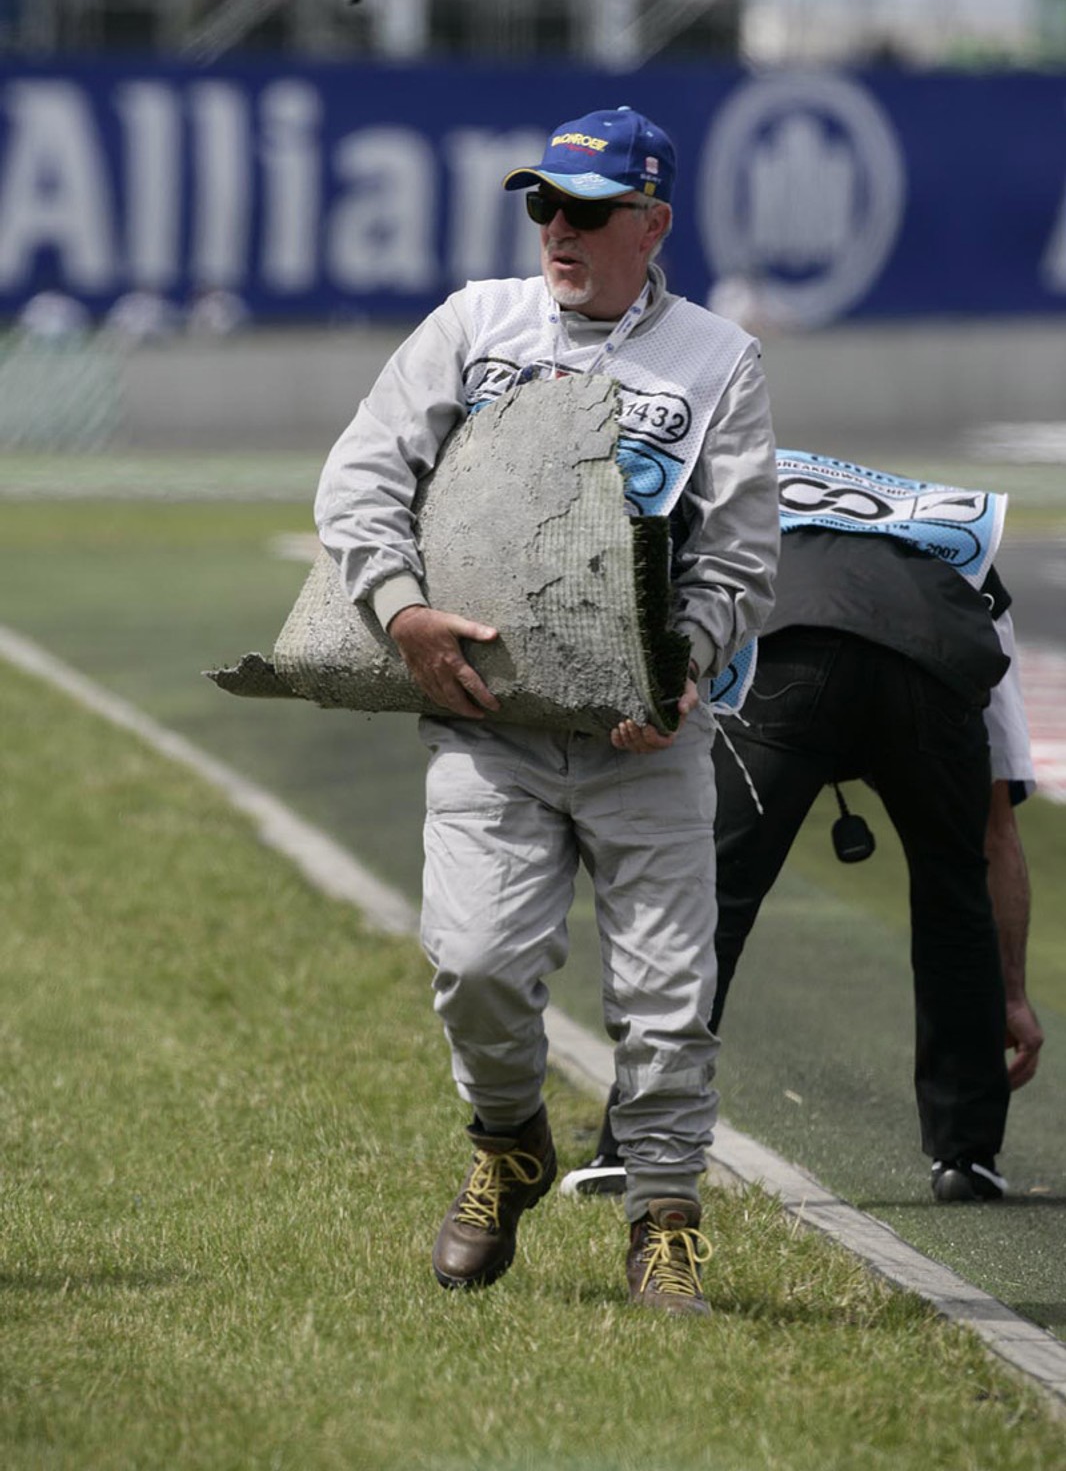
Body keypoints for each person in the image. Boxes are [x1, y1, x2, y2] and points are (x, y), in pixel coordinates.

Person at [314, 106, 778, 1314]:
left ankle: (665, 1217)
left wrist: (681, 672)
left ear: (653, 223)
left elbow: (739, 561)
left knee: (668, 1001)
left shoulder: (720, 359)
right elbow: (362, 477)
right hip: (488, 718)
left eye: (587, 210)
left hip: (647, 739)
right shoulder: (474, 322)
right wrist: (401, 611)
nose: (558, 231)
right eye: (544, 206)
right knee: (472, 963)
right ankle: (510, 1141)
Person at [562, 453, 1044, 1206]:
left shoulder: (729, 486)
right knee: (955, 895)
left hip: (790, 650)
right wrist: (1009, 994)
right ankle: (967, 1154)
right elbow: (995, 836)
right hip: (934, 663)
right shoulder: (969, 550)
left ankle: (632, 1148)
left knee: (708, 902)